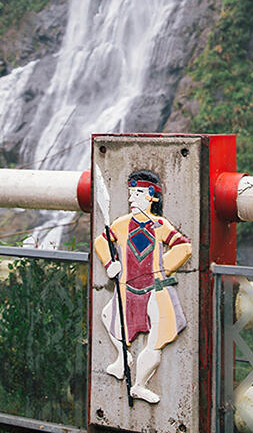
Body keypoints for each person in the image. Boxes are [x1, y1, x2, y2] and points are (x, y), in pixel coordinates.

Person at [93, 170, 192, 404]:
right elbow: (101, 241)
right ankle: (123, 357)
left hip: (155, 290)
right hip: (128, 288)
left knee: (156, 339)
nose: (131, 199)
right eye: (130, 193)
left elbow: (183, 247)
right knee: (108, 317)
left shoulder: (159, 225)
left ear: (151, 197)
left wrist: (160, 268)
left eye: (137, 193)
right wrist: (110, 264)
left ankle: (139, 385)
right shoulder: (122, 224)